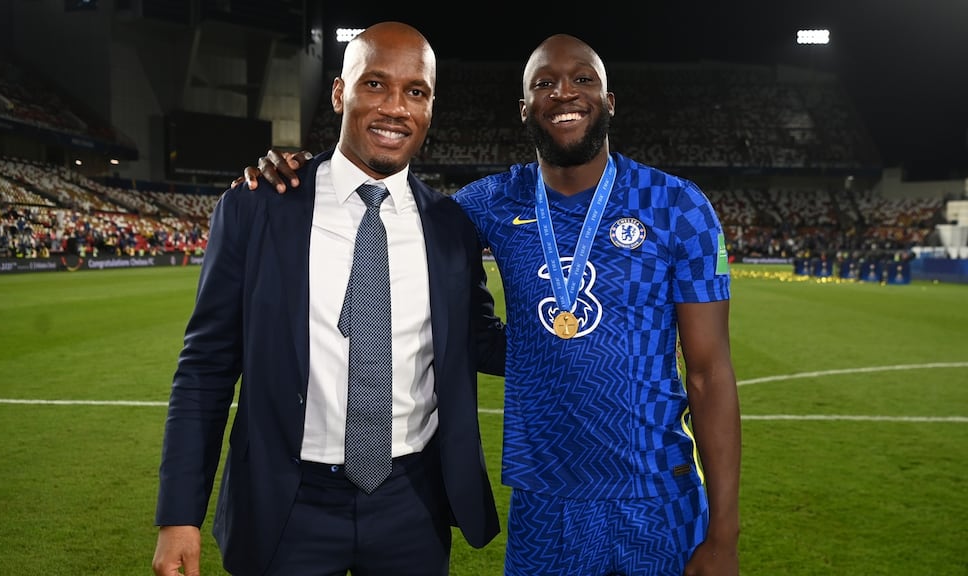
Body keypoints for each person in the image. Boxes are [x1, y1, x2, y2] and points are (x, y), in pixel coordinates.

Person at [247, 33, 740, 576]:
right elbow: (392, 214)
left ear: (610, 102)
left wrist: (723, 534)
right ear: (524, 108)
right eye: (544, 83)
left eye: (583, 80)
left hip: (658, 496)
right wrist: (294, 173)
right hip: (543, 501)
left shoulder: (678, 205)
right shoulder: (491, 202)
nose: (564, 93)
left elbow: (710, 374)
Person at [153, 21, 505, 576]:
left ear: (431, 107)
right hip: (286, 502)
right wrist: (179, 516)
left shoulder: (451, 227)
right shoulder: (259, 206)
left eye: (416, 92)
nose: (395, 107)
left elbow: (483, 341)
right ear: (339, 92)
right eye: (375, 85)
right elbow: (205, 368)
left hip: (410, 503)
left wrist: (600, 326)